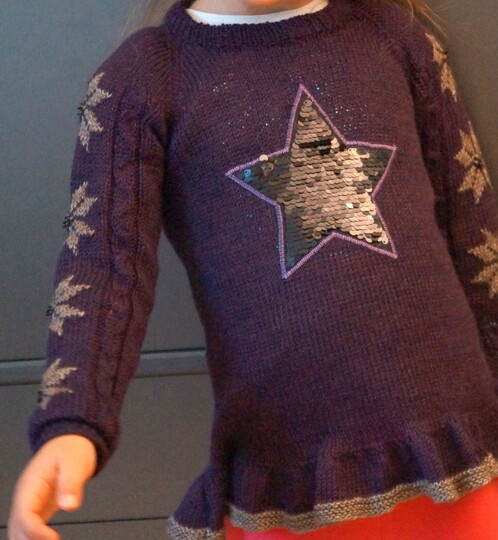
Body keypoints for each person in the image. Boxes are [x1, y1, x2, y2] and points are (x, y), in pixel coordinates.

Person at [7, 0, 498, 539]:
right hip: (289, 483)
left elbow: (473, 224)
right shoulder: (142, 80)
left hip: (467, 458)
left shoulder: (393, 35)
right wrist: (73, 421)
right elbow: (104, 267)